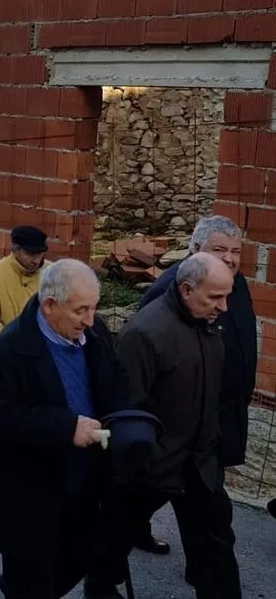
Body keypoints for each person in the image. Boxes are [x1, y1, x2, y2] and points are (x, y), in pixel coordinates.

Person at [85, 253, 242, 599]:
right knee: (116, 538)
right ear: (186, 289)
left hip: (200, 463)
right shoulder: (145, 333)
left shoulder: (209, 323)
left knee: (216, 550)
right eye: (215, 297)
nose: (224, 307)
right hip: (152, 466)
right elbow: (125, 405)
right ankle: (100, 587)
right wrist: (141, 461)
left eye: (226, 296)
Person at [0, 259, 130, 599]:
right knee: (32, 581)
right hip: (31, 497)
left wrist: (125, 422)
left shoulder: (94, 334)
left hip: (83, 484)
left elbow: (116, 380)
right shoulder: (6, 352)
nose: (90, 320)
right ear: (49, 305)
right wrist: (66, 426)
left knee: (74, 562)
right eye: (80, 310)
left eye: (94, 308)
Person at [132, 215, 257, 564]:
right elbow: (147, 362)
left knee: (160, 495)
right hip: (184, 424)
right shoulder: (169, 291)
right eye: (220, 250)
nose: (229, 258)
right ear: (196, 249)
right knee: (209, 513)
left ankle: (127, 532)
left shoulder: (236, 283)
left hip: (221, 413)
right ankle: (205, 571)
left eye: (236, 251)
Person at [0, 225, 50, 348]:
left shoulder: (53, 273)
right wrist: (12, 343)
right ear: (15, 250)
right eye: (30, 254)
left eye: (40, 254)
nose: (36, 260)